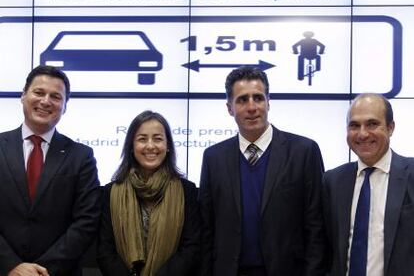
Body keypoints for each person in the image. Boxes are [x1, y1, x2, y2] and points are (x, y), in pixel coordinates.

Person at [198, 66, 326, 276]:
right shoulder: (213, 158)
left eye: (258, 98)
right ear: (229, 107)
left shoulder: (303, 152)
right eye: (242, 100)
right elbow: (206, 230)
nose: (252, 107)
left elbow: (316, 228)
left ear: (268, 102)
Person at [0, 65, 101, 276]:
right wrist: (10, 265)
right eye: (38, 92)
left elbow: (86, 221)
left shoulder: (81, 156)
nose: (45, 101)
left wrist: (41, 271)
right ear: (23, 96)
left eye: (55, 96)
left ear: (64, 107)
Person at [97, 110, 200, 276]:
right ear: (131, 146)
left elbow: (191, 248)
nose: (150, 146)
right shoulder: (110, 192)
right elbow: (105, 250)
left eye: (158, 139)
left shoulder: (187, 191)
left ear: (168, 147)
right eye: (142, 139)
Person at [323, 93, 414, 276]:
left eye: (372, 124)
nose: (363, 134)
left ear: (390, 127)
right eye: (354, 126)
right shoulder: (332, 181)